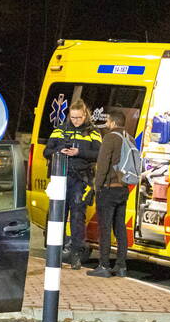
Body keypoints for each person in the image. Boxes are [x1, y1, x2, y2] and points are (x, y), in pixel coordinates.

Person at [43, 99, 101, 269]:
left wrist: (79, 152)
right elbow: (47, 151)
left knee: (77, 217)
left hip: (80, 180)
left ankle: (76, 253)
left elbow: (99, 154)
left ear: (85, 115)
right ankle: (56, 252)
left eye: (79, 118)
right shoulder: (60, 130)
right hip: (60, 178)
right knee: (57, 217)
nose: (76, 121)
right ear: (69, 115)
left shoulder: (92, 132)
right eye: (73, 117)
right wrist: (58, 151)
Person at [87, 111, 131, 278]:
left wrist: (96, 187)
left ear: (112, 122)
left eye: (107, 121)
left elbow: (103, 165)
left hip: (108, 188)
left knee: (104, 228)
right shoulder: (130, 138)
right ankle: (121, 266)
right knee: (120, 228)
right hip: (123, 189)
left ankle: (104, 265)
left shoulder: (110, 138)